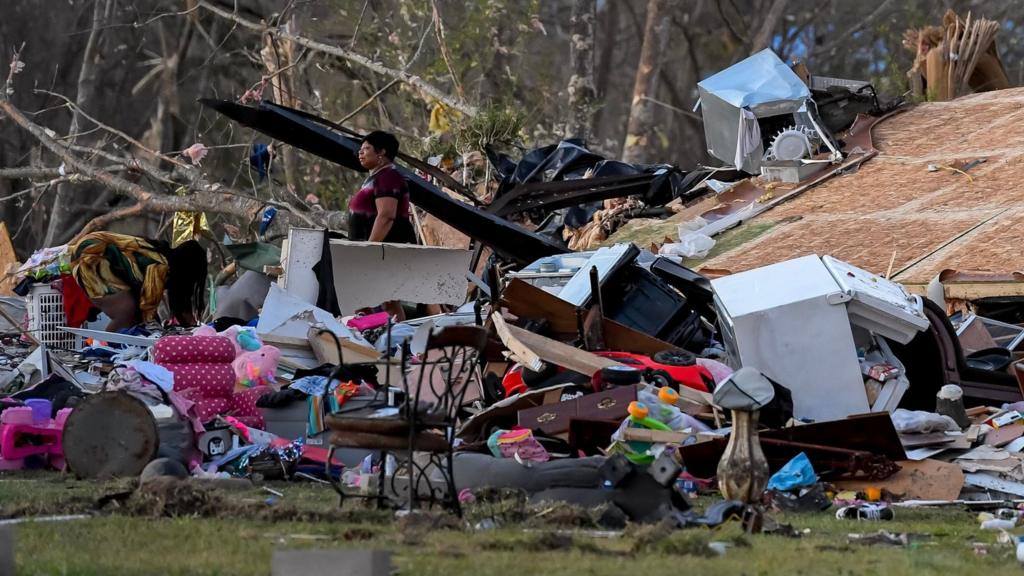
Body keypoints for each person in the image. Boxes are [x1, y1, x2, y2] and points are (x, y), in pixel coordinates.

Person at [69, 232, 208, 332]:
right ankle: (100, 351)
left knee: (133, 314)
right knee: (126, 312)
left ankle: (105, 348)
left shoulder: (159, 254)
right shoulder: (162, 266)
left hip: (88, 247)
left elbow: (145, 309)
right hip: (91, 254)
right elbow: (148, 311)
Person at [349, 130, 416, 319]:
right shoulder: (378, 177)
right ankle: (381, 337)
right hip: (377, 248)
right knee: (384, 300)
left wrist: (370, 247)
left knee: (374, 298)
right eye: (360, 150)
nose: (360, 153)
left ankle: (386, 338)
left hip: (383, 248)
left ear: (381, 152)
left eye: (366, 149)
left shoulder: (388, 177)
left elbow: (386, 215)